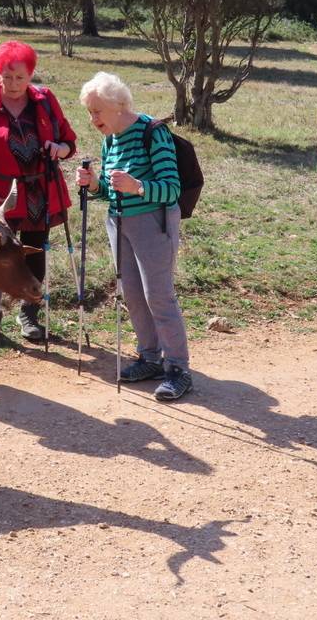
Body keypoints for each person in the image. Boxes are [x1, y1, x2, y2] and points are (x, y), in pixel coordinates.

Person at [75, 72, 192, 401]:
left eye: (97, 111)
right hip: (120, 222)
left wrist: (137, 186)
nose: (92, 118)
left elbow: (171, 189)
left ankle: (178, 368)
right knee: (133, 294)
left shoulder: (153, 132)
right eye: (89, 112)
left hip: (154, 222)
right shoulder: (110, 137)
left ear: (117, 105)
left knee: (159, 295)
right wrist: (94, 184)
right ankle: (150, 358)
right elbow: (111, 193)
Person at [0, 40, 77, 344]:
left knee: (34, 252)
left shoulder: (46, 100)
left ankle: (30, 313)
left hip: (40, 191)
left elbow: (68, 142)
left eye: (20, 78)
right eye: (6, 77)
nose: (13, 84)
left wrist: (59, 149)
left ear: (31, 75)